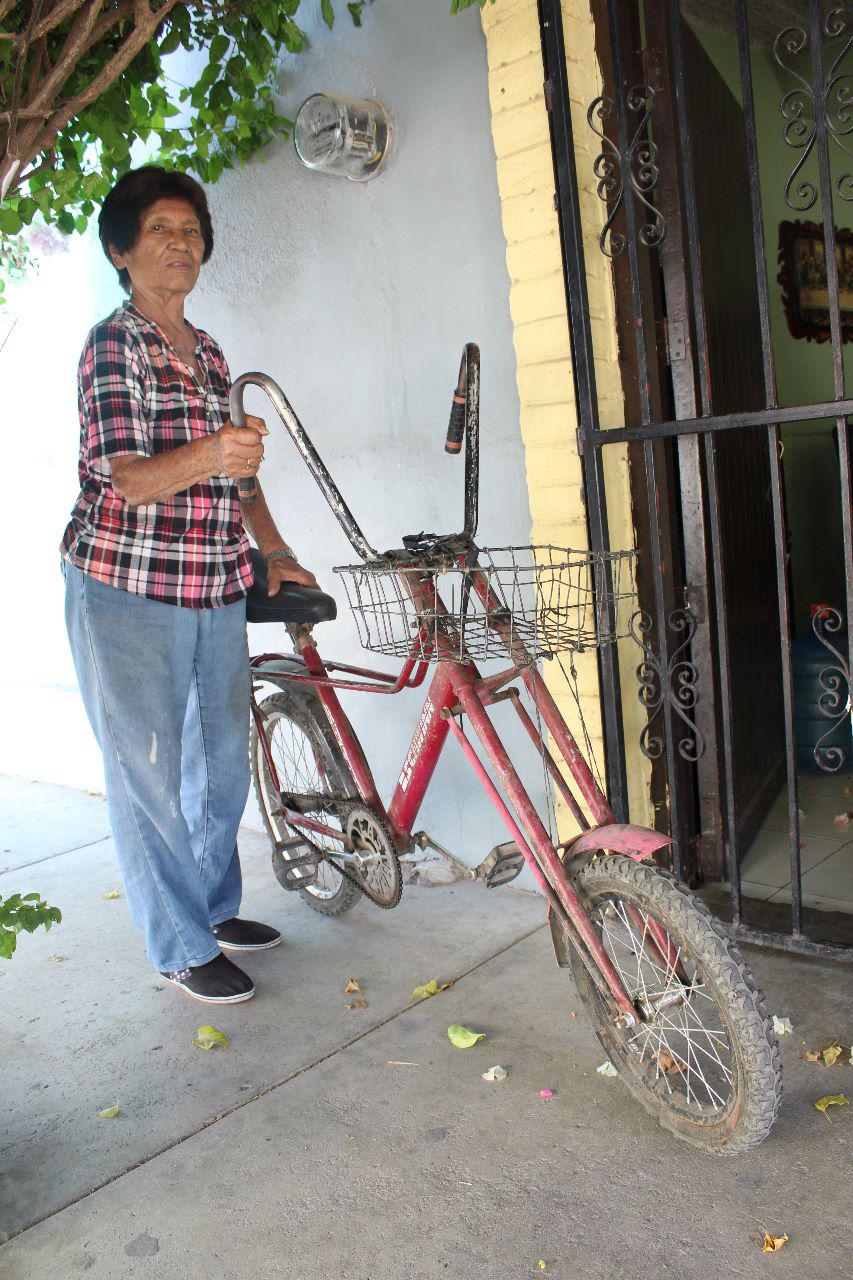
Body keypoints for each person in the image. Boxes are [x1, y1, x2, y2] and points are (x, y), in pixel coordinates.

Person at [61, 165, 318, 1004]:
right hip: (126, 590)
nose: (182, 243)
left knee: (219, 763)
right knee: (148, 770)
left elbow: (239, 479)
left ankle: (212, 908)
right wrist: (214, 452)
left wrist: (273, 551)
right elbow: (127, 480)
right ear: (122, 250)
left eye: (192, 230)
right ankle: (176, 944)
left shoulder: (206, 352)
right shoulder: (114, 344)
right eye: (162, 229)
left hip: (212, 586)